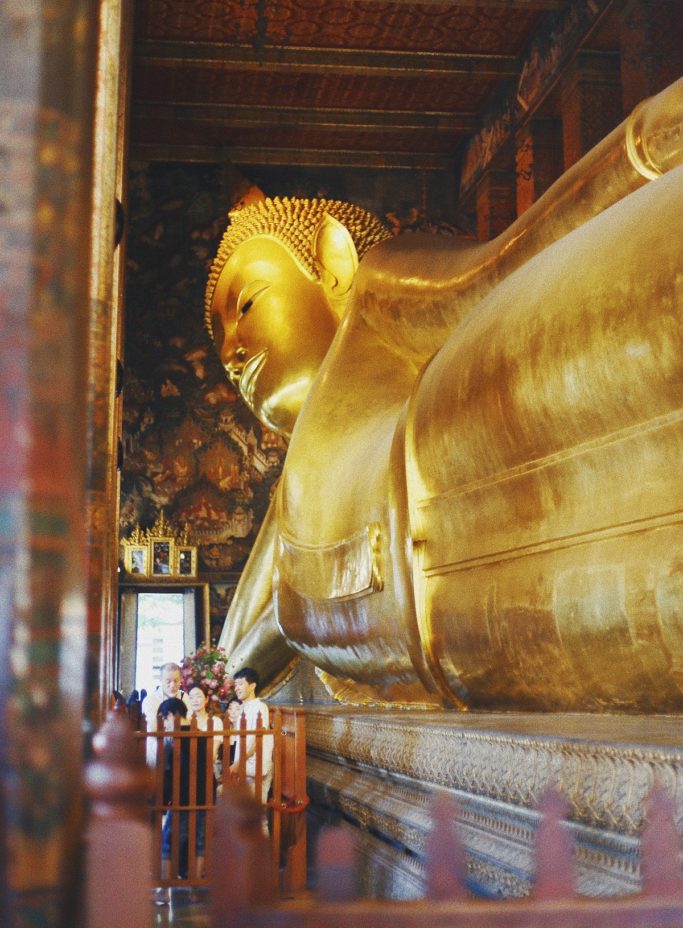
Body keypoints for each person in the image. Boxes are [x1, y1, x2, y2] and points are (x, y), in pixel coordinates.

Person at [207, 79, 683, 714]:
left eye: (246, 305)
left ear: (334, 264)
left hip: (464, 449)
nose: (234, 352)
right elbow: (249, 636)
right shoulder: (300, 488)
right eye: (219, 344)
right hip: (476, 621)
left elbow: (505, 259)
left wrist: (649, 142)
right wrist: (209, 681)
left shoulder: (379, 292)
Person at [156, 696, 213, 900]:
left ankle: (164, 890)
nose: (165, 724)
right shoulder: (203, 736)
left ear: (172, 714)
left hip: (180, 800)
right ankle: (195, 889)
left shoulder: (174, 741)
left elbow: (168, 774)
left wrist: (163, 800)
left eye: (165, 719)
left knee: (168, 840)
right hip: (202, 798)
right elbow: (209, 773)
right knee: (199, 842)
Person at [229, 668, 273, 805]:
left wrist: (238, 763)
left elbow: (256, 741)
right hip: (245, 768)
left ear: (253, 685)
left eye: (240, 684)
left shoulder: (260, 707)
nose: (237, 688)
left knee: (256, 818)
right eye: (235, 685)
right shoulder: (243, 708)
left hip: (256, 768)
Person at [142, 662, 188, 766]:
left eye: (176, 681)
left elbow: (190, 724)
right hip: (157, 750)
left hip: (182, 750)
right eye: (168, 681)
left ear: (181, 679)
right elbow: (154, 727)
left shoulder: (185, 697)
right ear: (160, 680)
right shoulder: (150, 700)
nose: (172, 685)